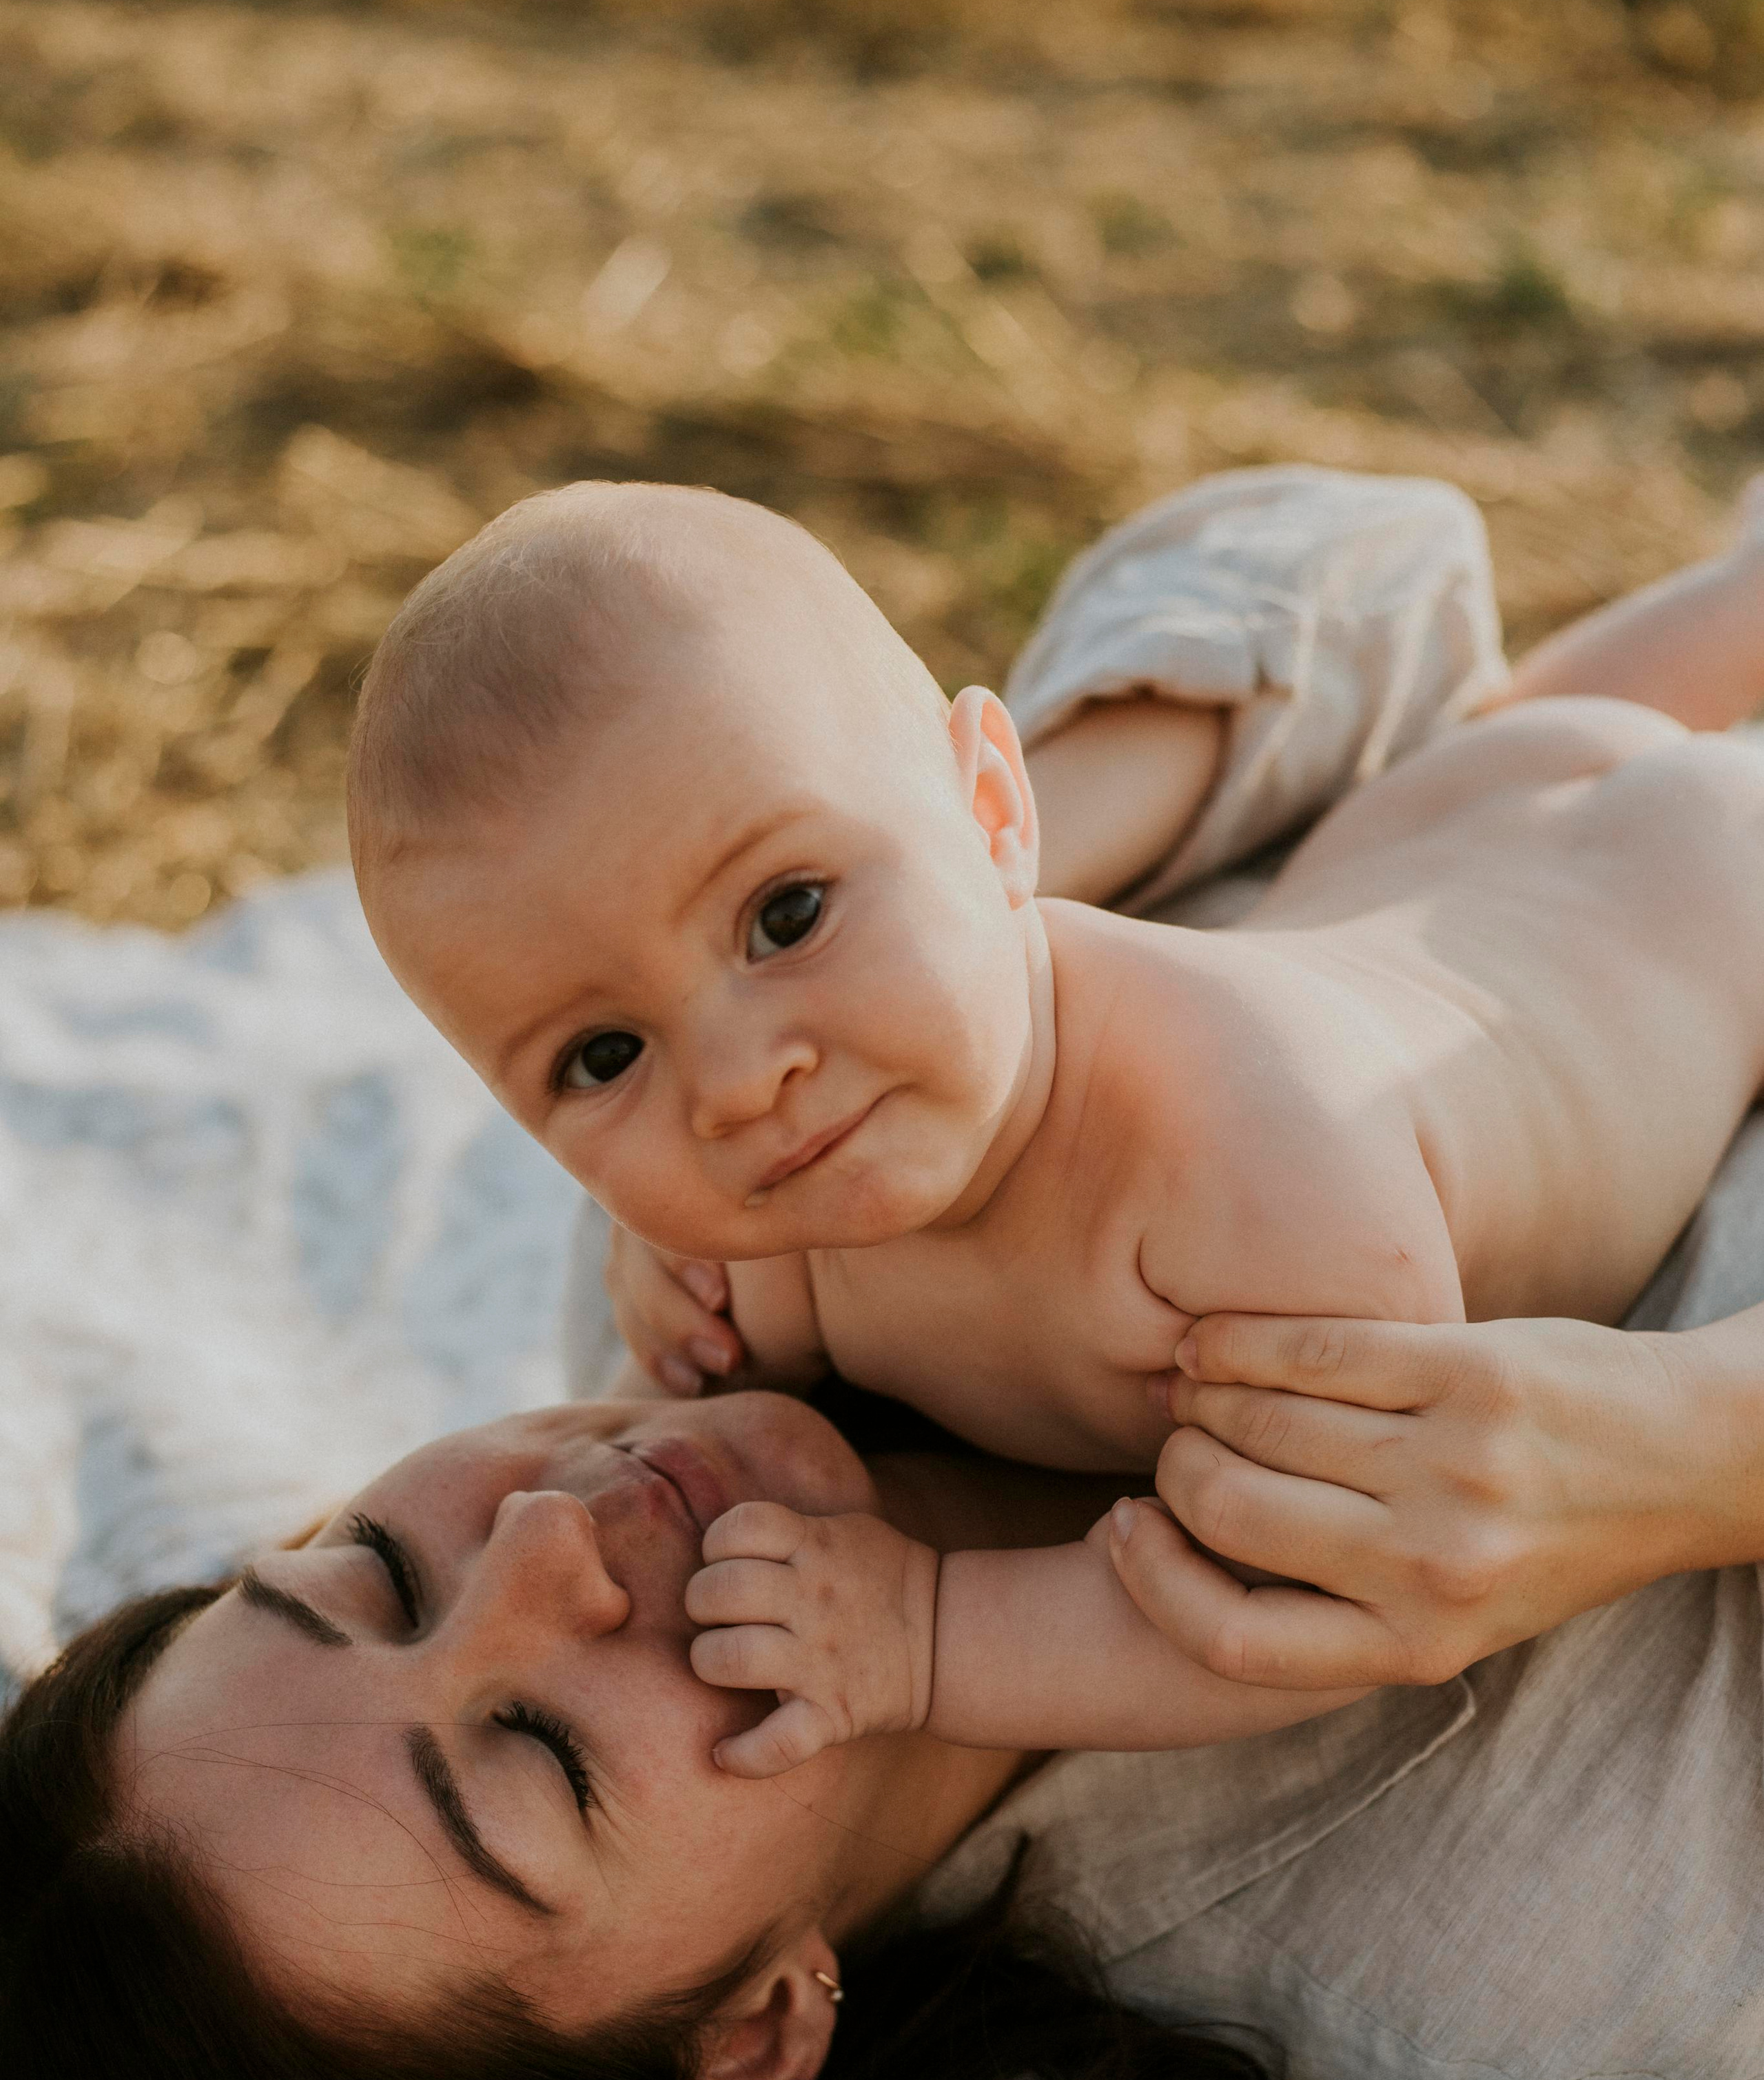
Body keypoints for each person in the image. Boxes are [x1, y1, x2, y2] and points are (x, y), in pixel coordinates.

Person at [8, 1180, 1764, 2080]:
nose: (546, 1543)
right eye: (540, 1755)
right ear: (750, 2032)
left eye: (371, 1568)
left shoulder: (711, 1207)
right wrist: (1687, 1451)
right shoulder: (1539, 1909)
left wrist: (886, 990)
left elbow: (1396, 711)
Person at [345, 465, 1764, 1772]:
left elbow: (1312, 1588)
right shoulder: (791, 1175)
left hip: (1694, 919)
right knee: (1531, 747)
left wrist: (930, 1632)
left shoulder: (1250, 1163)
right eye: (602, 1056)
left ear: (989, 807)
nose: (730, 1084)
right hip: (1429, 838)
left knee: (1620, 760)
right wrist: (674, 1286)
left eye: (786, 916)